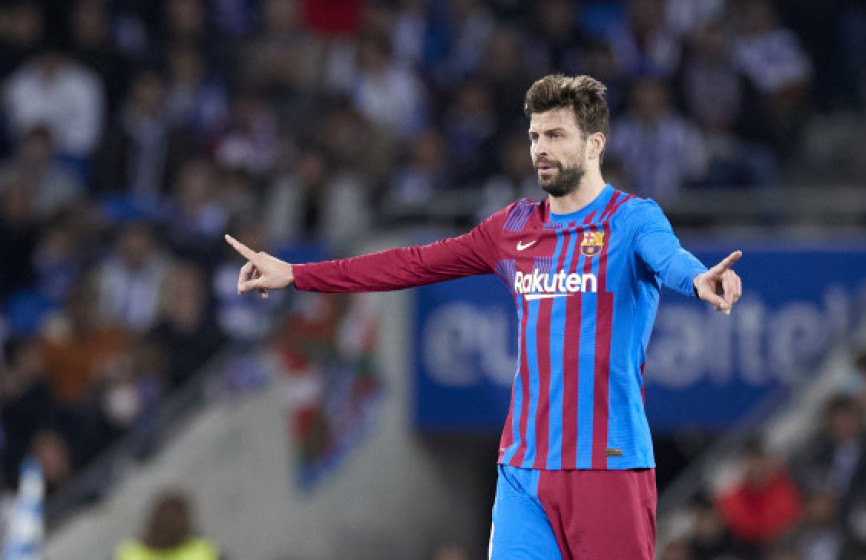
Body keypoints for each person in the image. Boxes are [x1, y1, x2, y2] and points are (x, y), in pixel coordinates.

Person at [226, 74, 743, 559]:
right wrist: (298, 273)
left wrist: (700, 281)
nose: (540, 148)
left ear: (594, 144)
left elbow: (669, 258)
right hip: (522, 468)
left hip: (606, 464)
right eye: (535, 134)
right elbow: (411, 263)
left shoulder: (632, 219)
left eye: (556, 134)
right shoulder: (510, 228)